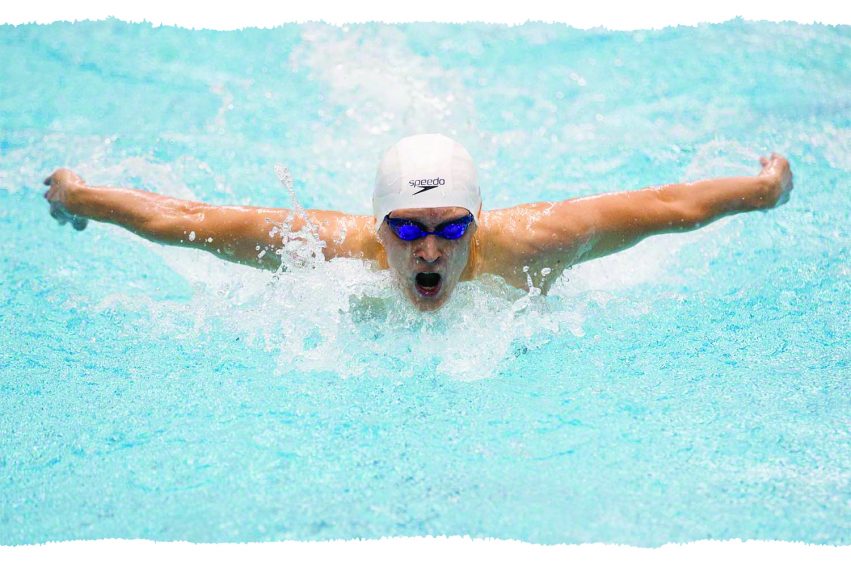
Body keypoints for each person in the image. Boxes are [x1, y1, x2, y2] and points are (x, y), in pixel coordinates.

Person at [43, 133, 793, 311]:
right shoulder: (330, 249)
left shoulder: (530, 244)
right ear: (377, 230)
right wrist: (80, 198)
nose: (429, 249)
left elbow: (666, 208)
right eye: (406, 229)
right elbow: (185, 219)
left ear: (478, 222)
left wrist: (759, 192)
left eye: (450, 228)